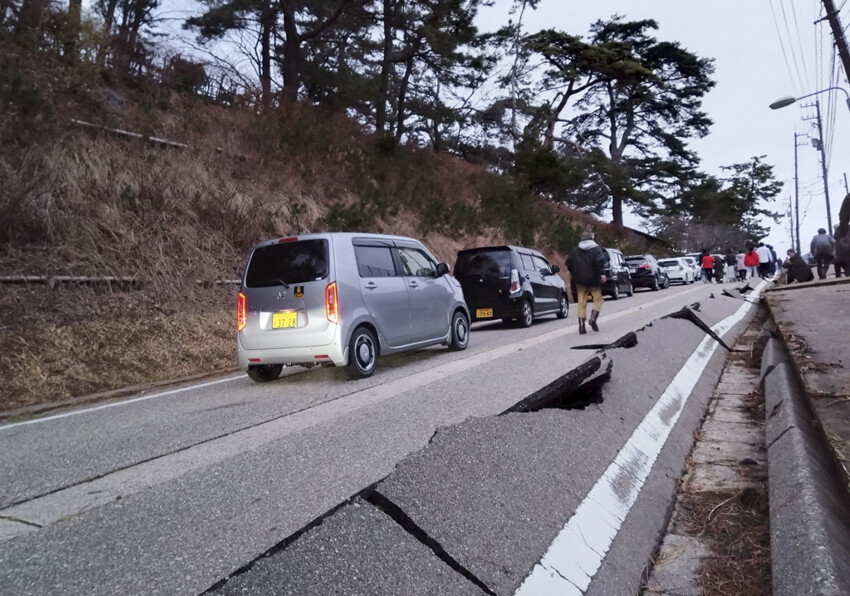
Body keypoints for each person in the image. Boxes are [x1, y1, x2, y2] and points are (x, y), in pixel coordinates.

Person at [566, 231, 607, 334]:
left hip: (580, 281)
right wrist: (602, 274)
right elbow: (599, 262)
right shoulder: (596, 249)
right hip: (594, 280)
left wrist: (575, 273)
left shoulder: (575, 250)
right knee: (598, 299)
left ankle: (581, 325)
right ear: (592, 238)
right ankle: (593, 318)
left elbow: (568, 263)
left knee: (581, 302)